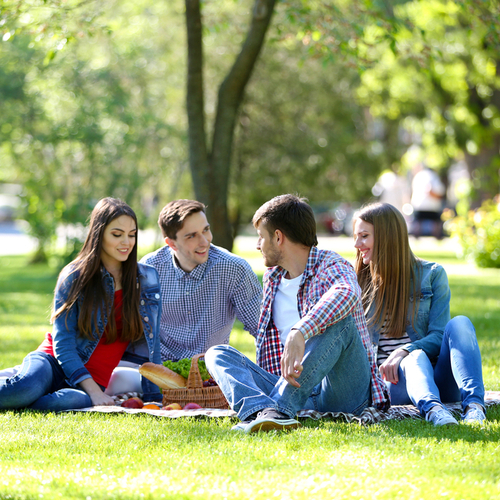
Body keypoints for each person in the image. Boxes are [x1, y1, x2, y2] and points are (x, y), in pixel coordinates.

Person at [205, 194, 389, 433]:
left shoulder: (330, 264)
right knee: (217, 354)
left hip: (341, 390)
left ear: (278, 237)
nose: (258, 245)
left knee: (339, 321)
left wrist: (300, 331)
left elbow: (347, 294)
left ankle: (278, 410)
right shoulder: (273, 278)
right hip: (293, 388)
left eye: (261, 237)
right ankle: (258, 413)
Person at [0, 198, 163, 410]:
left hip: (90, 385)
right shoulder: (75, 276)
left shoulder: (146, 279)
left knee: (75, 401)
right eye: (117, 234)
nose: (127, 242)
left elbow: (153, 346)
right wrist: (94, 392)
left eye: (132, 235)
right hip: (52, 363)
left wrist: (155, 397)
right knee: (23, 389)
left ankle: (25, 403)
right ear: (99, 233)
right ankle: (26, 395)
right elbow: (63, 344)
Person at [106, 199, 262, 392]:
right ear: (171, 243)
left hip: (211, 375)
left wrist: (270, 380)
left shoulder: (234, 269)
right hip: (162, 372)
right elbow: (129, 326)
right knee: (115, 379)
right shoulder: (150, 269)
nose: (204, 241)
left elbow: (261, 328)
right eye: (192, 236)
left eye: (206, 230)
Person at [353, 202, 486, 426]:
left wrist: (403, 350)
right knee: (414, 357)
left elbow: (438, 335)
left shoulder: (432, 275)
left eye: (364, 236)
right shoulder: (358, 280)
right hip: (394, 385)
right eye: (356, 236)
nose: (357, 245)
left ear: (387, 237)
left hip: (438, 377)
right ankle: (434, 410)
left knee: (460, 323)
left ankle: (474, 407)